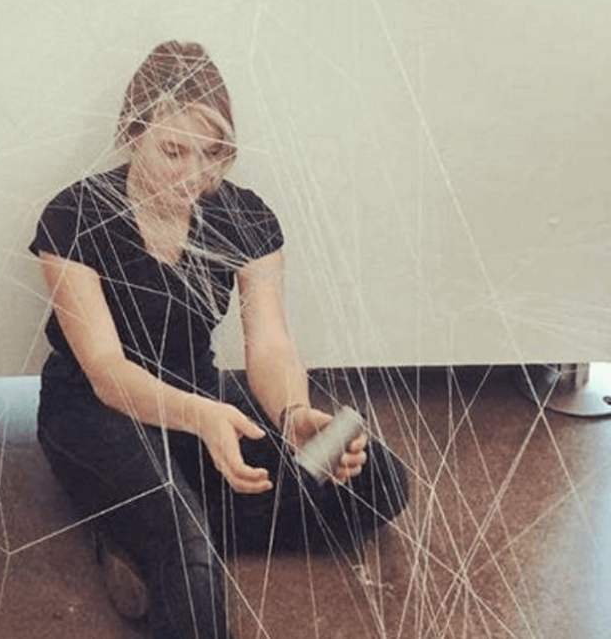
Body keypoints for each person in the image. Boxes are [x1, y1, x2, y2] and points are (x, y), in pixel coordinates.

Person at [29, 41, 408, 639]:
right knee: (192, 567)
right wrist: (204, 418)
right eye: (173, 151)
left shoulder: (246, 217)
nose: (192, 176)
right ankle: (173, 535)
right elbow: (105, 371)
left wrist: (292, 414)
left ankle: (155, 530)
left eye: (211, 155)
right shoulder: (72, 216)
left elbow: (271, 346)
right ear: (132, 134)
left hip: (203, 399)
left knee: (378, 478)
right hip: (95, 412)